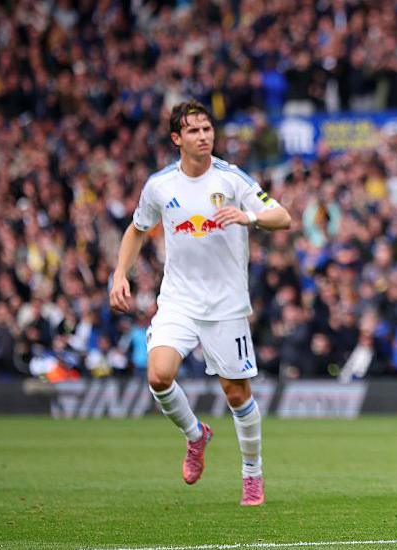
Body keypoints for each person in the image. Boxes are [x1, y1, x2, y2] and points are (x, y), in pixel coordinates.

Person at [109, 100, 291, 506]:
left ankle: (252, 475)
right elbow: (137, 230)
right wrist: (119, 274)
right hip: (179, 300)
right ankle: (196, 435)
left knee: (237, 394)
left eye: (207, 128)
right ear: (177, 139)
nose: (203, 136)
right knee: (158, 375)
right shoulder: (160, 185)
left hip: (226, 304)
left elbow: (283, 216)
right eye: (193, 130)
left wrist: (250, 218)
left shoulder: (232, 178)